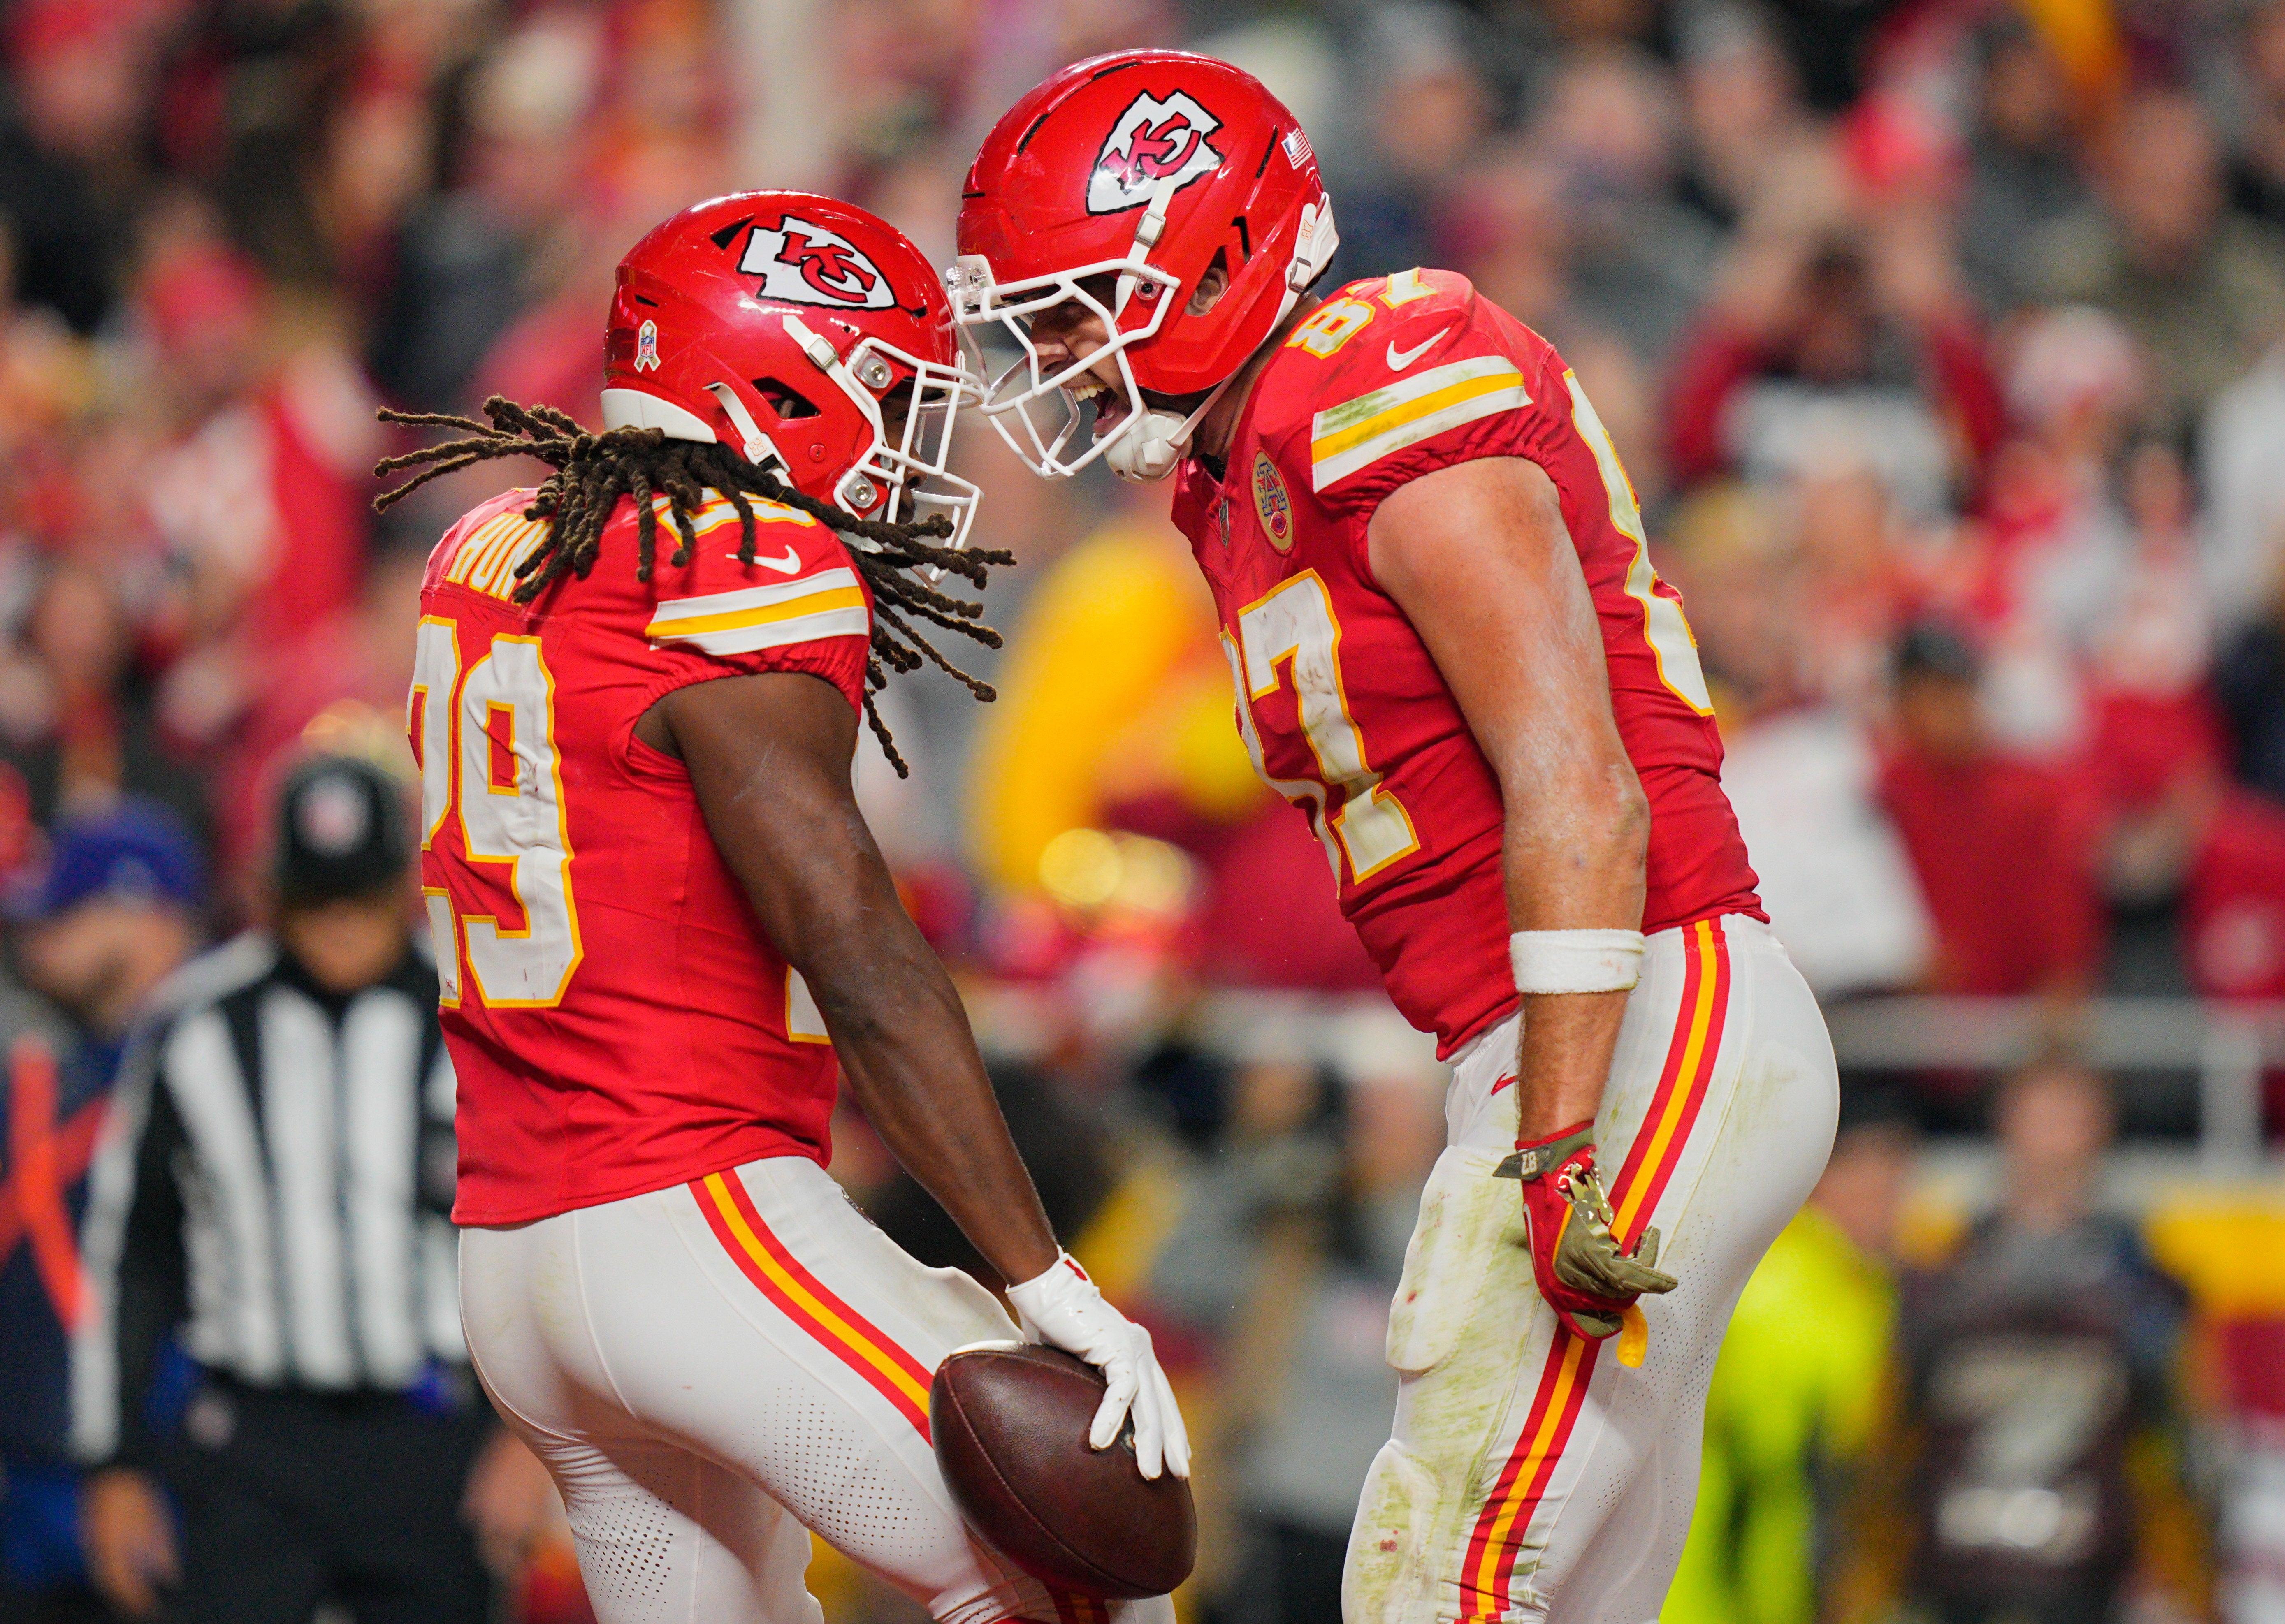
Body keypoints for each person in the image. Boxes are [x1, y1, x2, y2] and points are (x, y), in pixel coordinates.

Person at [951, 53, 1838, 1624]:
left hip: (1632, 1011)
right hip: (1556, 1030)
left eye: (1081, 302)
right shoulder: (1241, 463)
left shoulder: (1378, 370)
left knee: (1437, 1570)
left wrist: (1554, 1143)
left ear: (1209, 255)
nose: (1057, 353)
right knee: (1569, 1597)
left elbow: (1578, 779)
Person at [386, 190, 1186, 1624]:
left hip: (512, 1254)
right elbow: (853, 943)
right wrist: (1039, 1271)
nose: (902, 443)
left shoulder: (498, 543)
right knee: (1083, 1570)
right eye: (886, 392)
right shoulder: (733, 556)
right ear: (774, 379)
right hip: (689, 1221)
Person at [71, 756, 533, 1624]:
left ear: (403, 880)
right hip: (253, 1442)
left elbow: (534, 1239)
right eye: (317, 897)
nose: (340, 924)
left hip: (428, 1436)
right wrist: (114, 1462)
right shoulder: (194, 1023)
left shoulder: (471, 1021)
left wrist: (536, 1437)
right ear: (267, 888)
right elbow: (130, 1253)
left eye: (357, 895)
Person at [1896, 1065, 2200, 1624]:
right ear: (2004, 1123)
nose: (2052, 1139)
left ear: (2100, 1131)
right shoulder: (1941, 1278)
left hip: (2090, 1582)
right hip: (1955, 1576)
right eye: (2039, 1117)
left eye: (2070, 1119)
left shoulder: (2145, 1288)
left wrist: (2173, 1579)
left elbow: (2182, 1450)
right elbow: (1894, 1441)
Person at [1, 802, 202, 1624]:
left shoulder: (216, 1065)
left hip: (182, 1494)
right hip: (31, 1501)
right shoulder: (49, 1074)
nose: (36, 937)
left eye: (65, 912)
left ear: (141, 915)